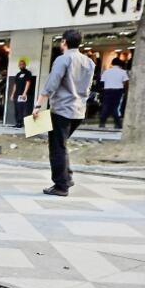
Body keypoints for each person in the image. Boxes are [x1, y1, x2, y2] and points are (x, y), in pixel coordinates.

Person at [33, 29, 95, 196]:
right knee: (62, 144)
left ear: (64, 42)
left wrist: (37, 106)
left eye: (61, 41)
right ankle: (67, 177)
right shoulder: (89, 62)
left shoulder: (63, 59)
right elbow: (88, 88)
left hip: (62, 109)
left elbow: (51, 85)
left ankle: (61, 185)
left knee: (57, 147)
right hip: (79, 111)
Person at [99, 58, 129, 129]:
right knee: (116, 107)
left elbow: (102, 82)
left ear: (112, 63)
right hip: (118, 91)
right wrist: (126, 91)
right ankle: (118, 123)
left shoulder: (106, 72)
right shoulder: (123, 72)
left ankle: (102, 122)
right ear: (120, 64)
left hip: (107, 90)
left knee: (106, 106)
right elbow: (126, 83)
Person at [10, 59, 33, 128]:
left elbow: (28, 83)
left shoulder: (28, 73)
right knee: (16, 108)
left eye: (22, 64)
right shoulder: (18, 74)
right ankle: (17, 122)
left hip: (22, 94)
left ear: (25, 65)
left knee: (21, 109)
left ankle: (20, 123)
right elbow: (15, 85)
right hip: (17, 94)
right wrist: (12, 94)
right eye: (20, 64)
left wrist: (24, 93)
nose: (21, 65)